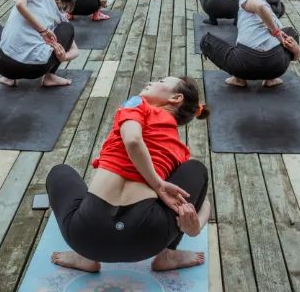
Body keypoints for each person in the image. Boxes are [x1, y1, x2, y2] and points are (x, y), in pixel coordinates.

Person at [46, 76, 211, 272]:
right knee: (196, 169)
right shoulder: (180, 151)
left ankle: (85, 257)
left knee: (59, 172)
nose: (150, 81)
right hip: (147, 239)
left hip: (86, 237)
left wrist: (158, 184)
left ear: (176, 98)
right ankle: (167, 255)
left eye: (161, 80)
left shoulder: (137, 103)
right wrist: (195, 227)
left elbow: (132, 140)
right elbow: (202, 202)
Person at [0, 0, 80, 87]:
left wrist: (43, 31)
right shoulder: (59, 16)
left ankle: (9, 78)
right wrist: (64, 57)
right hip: (38, 69)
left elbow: (20, 4)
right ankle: (49, 77)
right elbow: (75, 51)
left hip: (4, 66)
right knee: (66, 28)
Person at [200, 0, 300, 88]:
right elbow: (295, 57)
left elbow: (260, 7)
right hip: (276, 67)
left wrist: (276, 32)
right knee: (290, 32)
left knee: (206, 41)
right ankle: (270, 79)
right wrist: (296, 51)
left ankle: (239, 79)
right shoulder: (275, 18)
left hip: (243, 66)